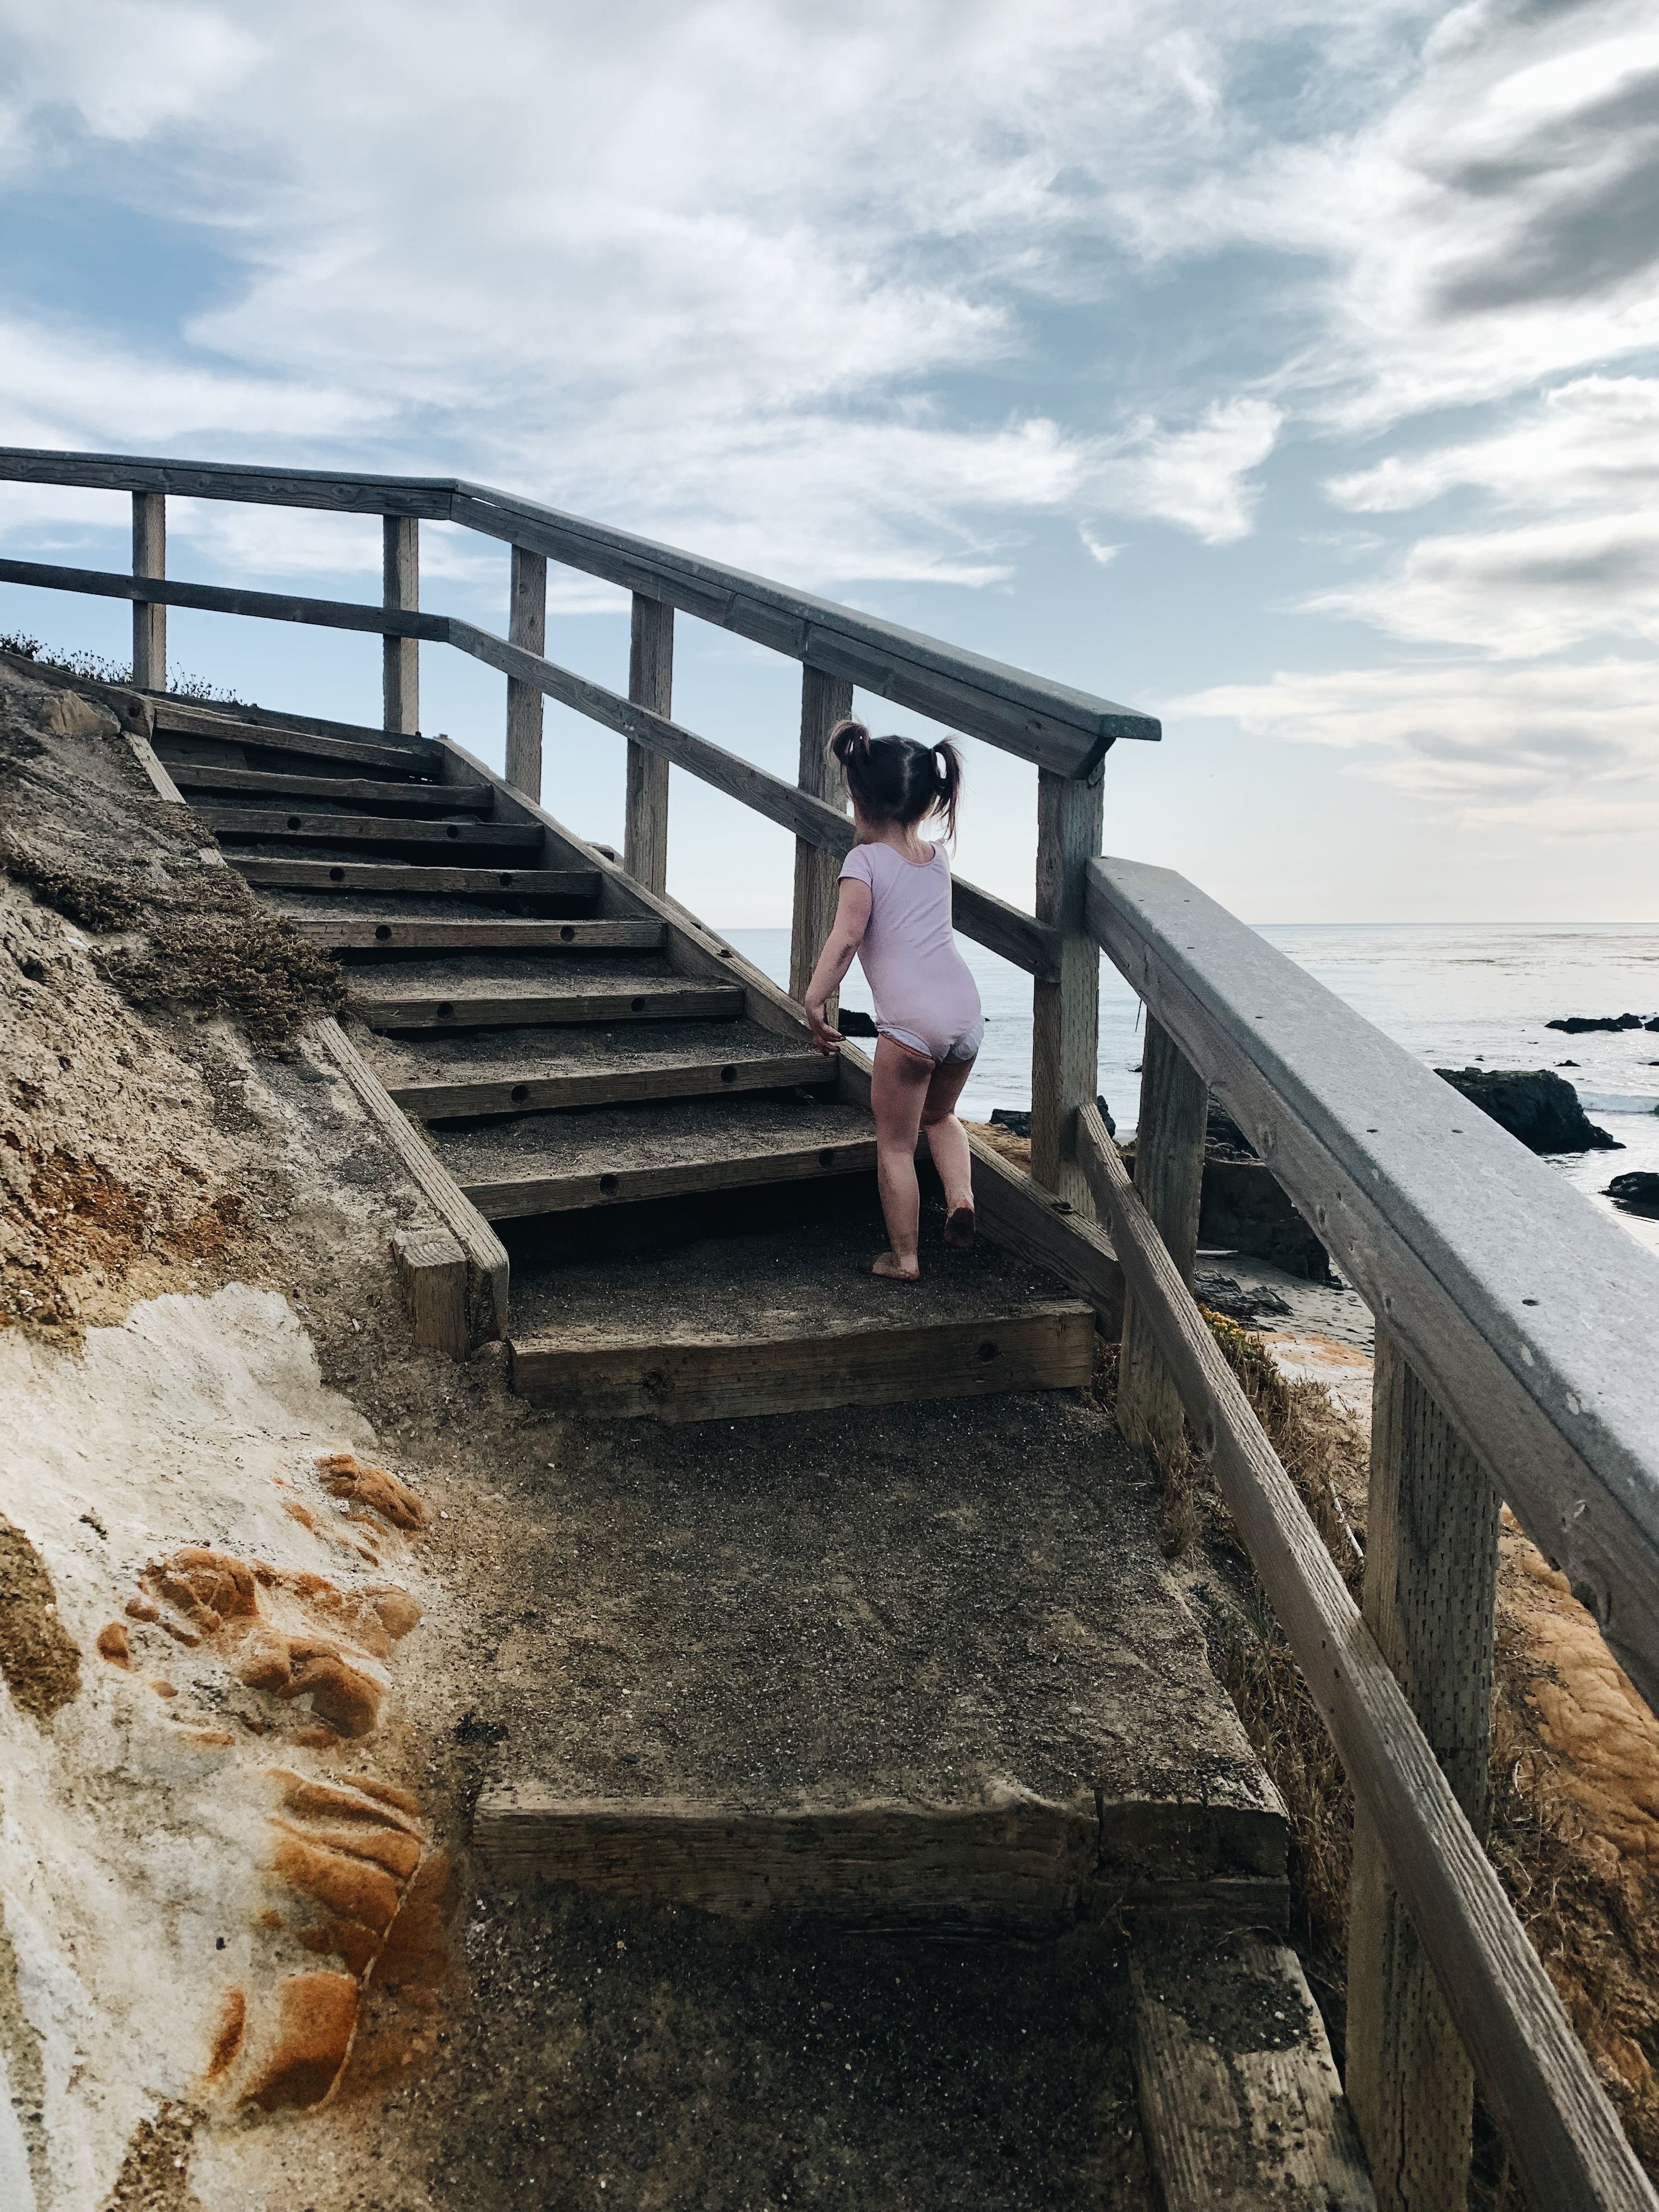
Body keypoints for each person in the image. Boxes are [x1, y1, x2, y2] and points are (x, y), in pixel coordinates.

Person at [801, 718, 983, 1281]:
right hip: (965, 1011)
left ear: (857, 801)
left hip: (910, 1024)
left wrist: (814, 998)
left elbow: (848, 936)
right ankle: (960, 1198)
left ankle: (904, 1258)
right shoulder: (936, 858)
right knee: (943, 1116)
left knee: (896, 1147)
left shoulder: (863, 863)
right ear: (929, 803)